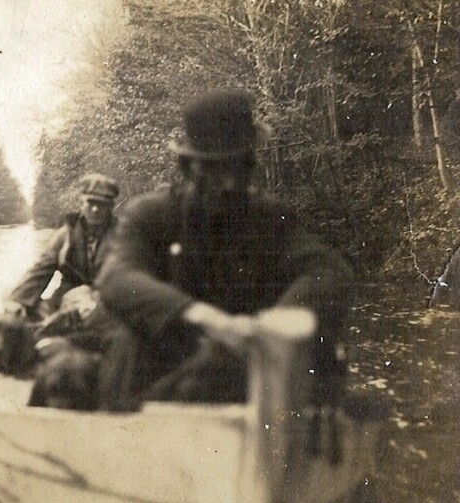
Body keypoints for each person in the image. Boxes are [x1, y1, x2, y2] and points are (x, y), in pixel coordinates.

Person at [95, 89, 355, 412]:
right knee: (128, 342)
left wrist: (273, 324)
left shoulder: (269, 218)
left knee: (319, 351)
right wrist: (202, 317)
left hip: (244, 364)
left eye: (241, 168)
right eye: (217, 170)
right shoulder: (151, 215)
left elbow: (329, 270)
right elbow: (116, 278)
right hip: (167, 363)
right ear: (189, 169)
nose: (231, 183)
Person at [5, 172, 120, 321]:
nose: (95, 209)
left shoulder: (124, 236)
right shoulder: (66, 235)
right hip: (66, 298)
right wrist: (17, 300)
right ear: (82, 203)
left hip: (109, 301)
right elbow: (41, 270)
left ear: (111, 206)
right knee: (13, 302)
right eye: (91, 203)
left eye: (101, 204)